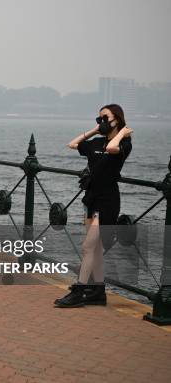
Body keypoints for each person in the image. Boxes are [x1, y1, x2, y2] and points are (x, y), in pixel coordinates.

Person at [55, 104, 133, 308]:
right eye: (99, 119)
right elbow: (72, 144)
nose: (102, 123)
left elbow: (112, 149)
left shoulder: (124, 144)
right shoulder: (97, 142)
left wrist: (122, 132)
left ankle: (79, 291)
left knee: (88, 246)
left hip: (108, 200)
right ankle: (98, 292)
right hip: (91, 198)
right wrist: (95, 130)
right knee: (95, 249)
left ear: (117, 118)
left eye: (106, 119)